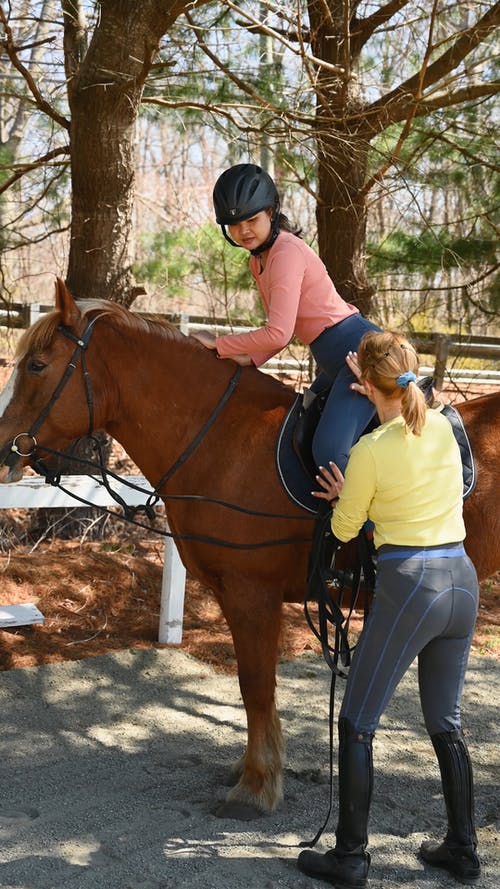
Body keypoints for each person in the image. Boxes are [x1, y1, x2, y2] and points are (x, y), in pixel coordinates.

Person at [297, 330, 480, 888]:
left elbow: (348, 528)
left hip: (412, 586)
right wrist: (382, 392)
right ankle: (462, 850)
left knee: (358, 722)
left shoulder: (369, 451)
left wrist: (343, 496)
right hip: (461, 581)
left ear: (367, 389)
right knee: (445, 722)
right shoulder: (448, 427)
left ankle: (350, 857)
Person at [191, 163, 380, 474]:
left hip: (356, 353)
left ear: (270, 212)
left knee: (329, 453)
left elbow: (278, 333)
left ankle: (365, 523)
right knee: (299, 431)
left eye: (252, 220)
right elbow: (283, 331)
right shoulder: (259, 261)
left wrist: (219, 344)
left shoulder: (286, 252)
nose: (244, 231)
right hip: (333, 357)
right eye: (234, 224)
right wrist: (249, 359)